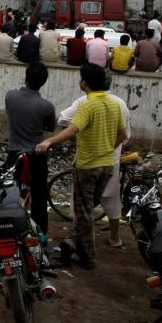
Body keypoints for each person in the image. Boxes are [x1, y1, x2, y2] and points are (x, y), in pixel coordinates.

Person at [36, 64, 126, 270]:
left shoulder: (87, 105)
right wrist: (106, 148)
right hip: (107, 166)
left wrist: (49, 142)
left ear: (85, 82)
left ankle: (88, 257)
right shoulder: (113, 104)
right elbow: (122, 134)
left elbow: (71, 129)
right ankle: (71, 243)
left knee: (84, 212)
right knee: (87, 209)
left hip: (88, 166)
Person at [57, 76, 131, 249]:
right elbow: (125, 135)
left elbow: (63, 120)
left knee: (82, 202)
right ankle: (114, 238)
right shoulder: (119, 103)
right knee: (112, 199)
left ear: (87, 83)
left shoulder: (85, 102)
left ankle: (82, 241)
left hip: (89, 160)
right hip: (111, 159)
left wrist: (75, 139)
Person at [4, 62, 56, 235]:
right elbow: (50, 128)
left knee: (11, 195)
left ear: (25, 77)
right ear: (43, 82)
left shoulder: (10, 96)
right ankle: (40, 235)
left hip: (14, 155)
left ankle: (10, 230)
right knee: (39, 198)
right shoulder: (46, 106)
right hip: (37, 156)